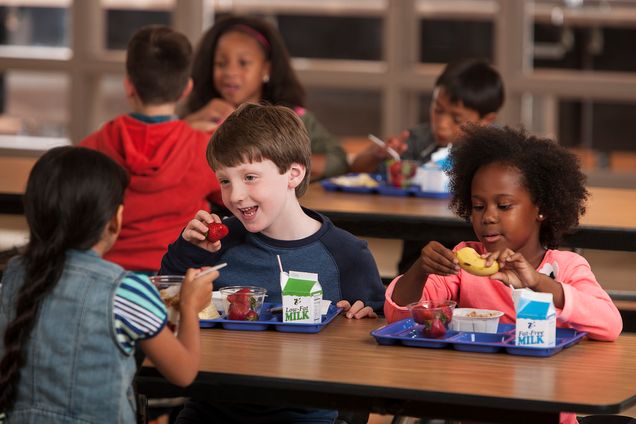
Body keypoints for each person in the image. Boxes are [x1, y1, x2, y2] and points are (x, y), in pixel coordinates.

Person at [161, 103, 386, 423]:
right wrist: (189, 250)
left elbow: (375, 343)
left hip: (305, 416)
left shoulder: (346, 255)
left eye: (250, 177)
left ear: (293, 174)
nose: (236, 195)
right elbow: (165, 311)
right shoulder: (216, 245)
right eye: (225, 181)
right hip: (212, 409)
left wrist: (367, 318)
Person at [384, 125, 622, 424]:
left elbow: (610, 323)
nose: (488, 217)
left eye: (504, 205)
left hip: (544, 414)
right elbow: (400, 316)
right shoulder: (464, 263)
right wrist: (420, 269)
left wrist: (538, 283)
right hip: (474, 409)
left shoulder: (566, 267)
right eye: (478, 206)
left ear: (541, 209)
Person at [0, 146, 218, 423]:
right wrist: (189, 304)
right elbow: (183, 373)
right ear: (115, 220)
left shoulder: (13, 276)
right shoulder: (127, 289)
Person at [80, 25, 223, 273]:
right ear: (186, 89)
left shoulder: (92, 148)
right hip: (178, 281)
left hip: (107, 280)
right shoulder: (205, 149)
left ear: (128, 86)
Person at [351, 58, 505, 275]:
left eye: (456, 118)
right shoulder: (420, 139)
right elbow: (358, 170)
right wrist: (377, 155)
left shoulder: (498, 150)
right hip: (418, 254)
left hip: (478, 254)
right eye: (438, 110)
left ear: (486, 120)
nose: (441, 124)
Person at [181, 15, 349, 180]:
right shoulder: (202, 116)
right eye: (220, 63)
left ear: (266, 69)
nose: (230, 72)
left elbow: (338, 161)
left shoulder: (295, 118)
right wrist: (187, 125)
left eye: (243, 63)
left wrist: (276, 162)